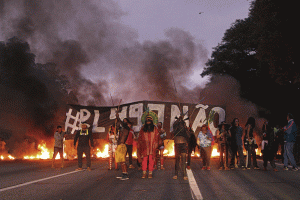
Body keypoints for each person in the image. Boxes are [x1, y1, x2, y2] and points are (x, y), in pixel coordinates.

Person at [138, 114, 159, 179]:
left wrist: (155, 145)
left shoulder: (155, 129)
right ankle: (144, 173)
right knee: (144, 160)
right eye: (147, 120)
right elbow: (140, 138)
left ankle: (150, 173)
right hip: (144, 147)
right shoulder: (143, 129)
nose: (148, 122)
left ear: (152, 121)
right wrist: (141, 145)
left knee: (151, 160)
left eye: (149, 120)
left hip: (152, 147)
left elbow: (157, 137)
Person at [115, 113, 131, 180]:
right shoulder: (122, 130)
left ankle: (126, 174)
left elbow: (122, 123)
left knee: (123, 161)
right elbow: (119, 125)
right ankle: (123, 173)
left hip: (122, 146)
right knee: (121, 161)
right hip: (119, 146)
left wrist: (118, 117)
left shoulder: (126, 129)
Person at [172, 115, 189, 180]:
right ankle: (176, 174)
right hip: (178, 144)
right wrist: (178, 119)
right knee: (177, 159)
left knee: (183, 160)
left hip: (183, 144)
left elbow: (188, 135)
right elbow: (174, 126)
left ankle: (184, 174)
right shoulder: (176, 127)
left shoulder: (184, 127)